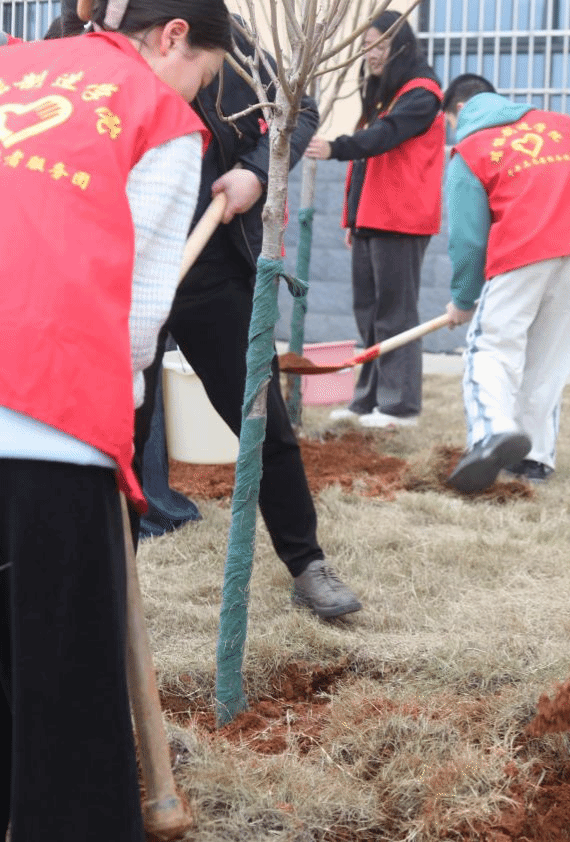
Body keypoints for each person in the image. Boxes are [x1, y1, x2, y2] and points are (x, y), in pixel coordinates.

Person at [0, 3, 229, 839]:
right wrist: (119, 421)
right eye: (204, 77)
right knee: (63, 673)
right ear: (174, 36)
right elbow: (134, 321)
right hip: (50, 410)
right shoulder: (158, 115)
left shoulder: (12, 65)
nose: (198, 98)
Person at [126, 19, 364, 618]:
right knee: (118, 434)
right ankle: (109, 581)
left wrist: (256, 171)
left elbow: (297, 108)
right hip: (122, 271)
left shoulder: (221, 36)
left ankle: (306, 563)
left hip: (210, 264)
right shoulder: (88, 44)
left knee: (261, 418)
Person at [441, 73, 570, 492]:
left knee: (492, 348)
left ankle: (492, 431)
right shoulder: (556, 126)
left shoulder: (469, 151)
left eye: (450, 123)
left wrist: (463, 300)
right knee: (548, 355)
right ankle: (533, 459)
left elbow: (467, 240)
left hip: (519, 253)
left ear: (459, 110)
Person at [305, 11, 444, 430]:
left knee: (394, 314)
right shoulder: (384, 95)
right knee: (368, 313)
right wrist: (352, 219)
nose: (371, 54)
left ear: (400, 46)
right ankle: (367, 400)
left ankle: (400, 407)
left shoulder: (421, 95)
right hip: (371, 217)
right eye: (366, 46)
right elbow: (367, 164)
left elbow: (382, 139)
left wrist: (335, 147)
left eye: (379, 45)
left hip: (401, 219)